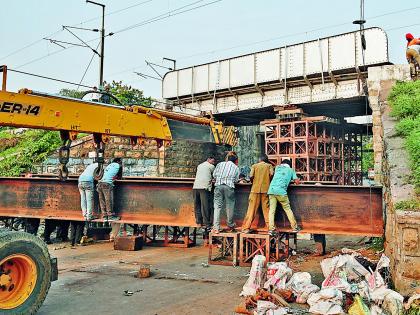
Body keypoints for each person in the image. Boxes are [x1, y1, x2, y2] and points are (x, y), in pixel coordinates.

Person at [267, 158, 301, 236]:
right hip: (281, 191)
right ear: (289, 165)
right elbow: (297, 182)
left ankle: (271, 229)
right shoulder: (291, 170)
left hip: (271, 190)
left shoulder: (277, 168)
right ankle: (295, 227)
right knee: (287, 209)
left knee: (272, 210)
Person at [241, 155, 274, 234]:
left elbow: (251, 176)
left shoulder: (254, 166)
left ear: (259, 160)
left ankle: (246, 228)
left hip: (254, 190)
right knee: (267, 210)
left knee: (251, 210)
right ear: (266, 160)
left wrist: (254, 182)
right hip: (265, 190)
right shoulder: (269, 166)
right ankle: (270, 228)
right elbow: (271, 174)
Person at [212, 154, 240, 233]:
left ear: (227, 159)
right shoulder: (236, 168)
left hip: (218, 186)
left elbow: (214, 175)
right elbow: (236, 180)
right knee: (229, 206)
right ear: (235, 161)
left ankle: (216, 228)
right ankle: (230, 225)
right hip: (229, 187)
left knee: (217, 207)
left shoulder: (220, 164)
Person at [193, 156, 216, 232]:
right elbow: (215, 175)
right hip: (204, 187)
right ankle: (207, 223)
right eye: (213, 161)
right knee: (205, 205)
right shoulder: (211, 166)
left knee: (197, 204)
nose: (213, 163)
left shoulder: (200, 165)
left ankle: (198, 221)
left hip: (196, 186)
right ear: (208, 160)